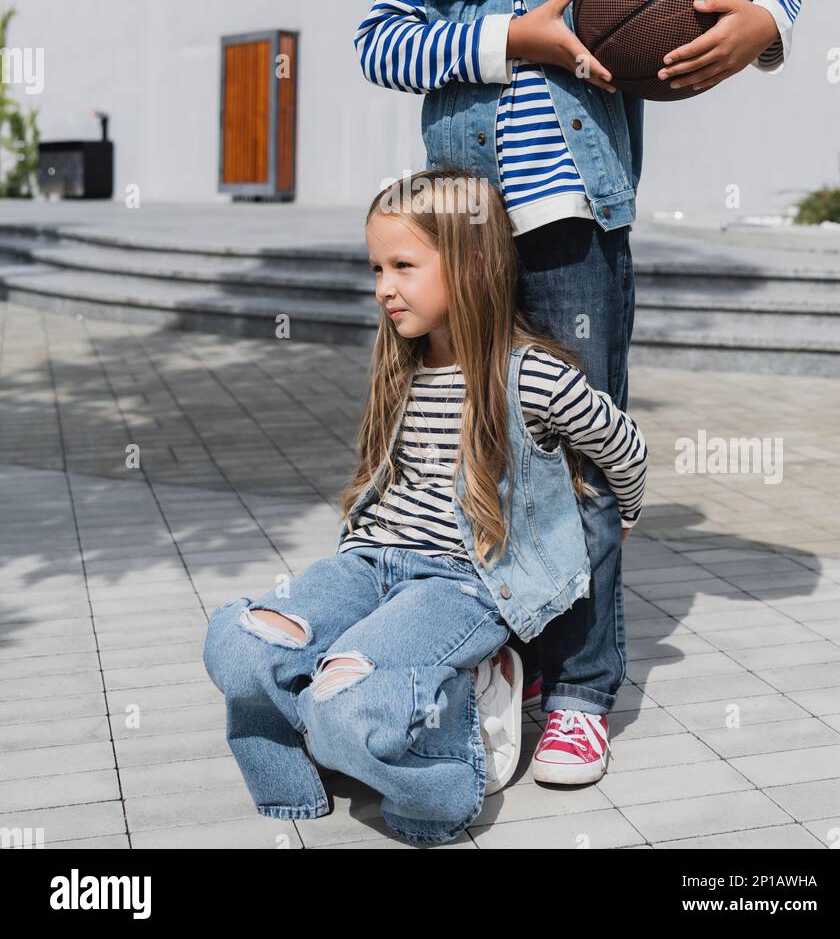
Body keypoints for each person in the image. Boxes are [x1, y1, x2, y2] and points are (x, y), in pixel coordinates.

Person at [354, 0, 802, 784]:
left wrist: (759, 24)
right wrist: (520, 35)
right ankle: (493, 663)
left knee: (584, 466)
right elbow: (380, 45)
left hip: (573, 237)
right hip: (462, 240)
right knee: (465, 462)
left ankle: (582, 692)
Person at [202, 168, 648, 846]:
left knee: (345, 698)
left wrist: (625, 510)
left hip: (461, 581)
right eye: (377, 266)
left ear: (471, 267)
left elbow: (623, 444)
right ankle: (311, 764)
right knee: (239, 644)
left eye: (403, 265)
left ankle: (442, 770)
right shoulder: (400, 365)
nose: (384, 286)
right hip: (368, 563)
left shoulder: (530, 375)